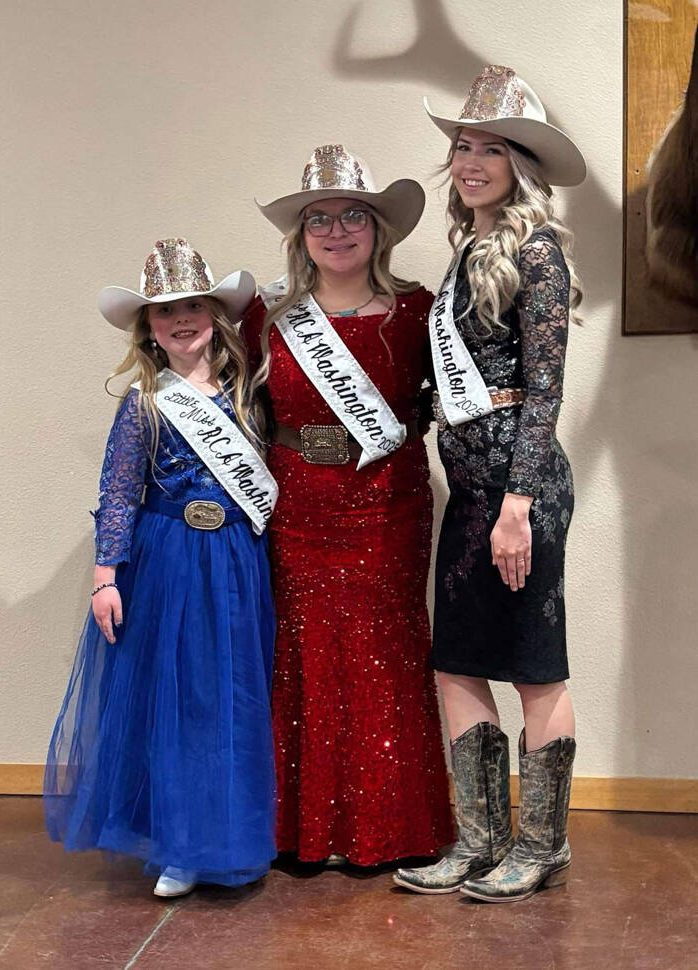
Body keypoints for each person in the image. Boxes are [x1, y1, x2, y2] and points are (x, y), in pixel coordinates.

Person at [394, 65, 586, 901]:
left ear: (521, 164)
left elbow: (543, 390)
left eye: (491, 149)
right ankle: (480, 841)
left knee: (534, 667)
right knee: (458, 663)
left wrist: (518, 506)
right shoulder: (468, 249)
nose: (471, 161)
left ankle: (541, 847)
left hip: (521, 492)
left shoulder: (538, 253)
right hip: (471, 495)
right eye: (463, 147)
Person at [44, 238, 278, 897]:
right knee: (175, 700)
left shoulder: (247, 394)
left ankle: (226, 834)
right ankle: (179, 844)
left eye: (194, 307)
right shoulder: (143, 402)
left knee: (228, 698)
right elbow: (118, 492)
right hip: (169, 560)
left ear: (214, 316)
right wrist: (105, 576)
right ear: (148, 327)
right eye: (164, 311)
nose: (181, 320)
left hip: (236, 558)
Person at [241, 145, 454, 865]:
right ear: (300, 237)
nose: (337, 231)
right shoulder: (264, 316)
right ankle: (300, 831)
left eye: (353, 215)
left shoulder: (419, 310)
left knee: (384, 649)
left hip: (387, 503)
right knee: (301, 650)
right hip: (298, 504)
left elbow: (448, 404)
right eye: (319, 219)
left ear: (378, 229)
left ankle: (392, 829)